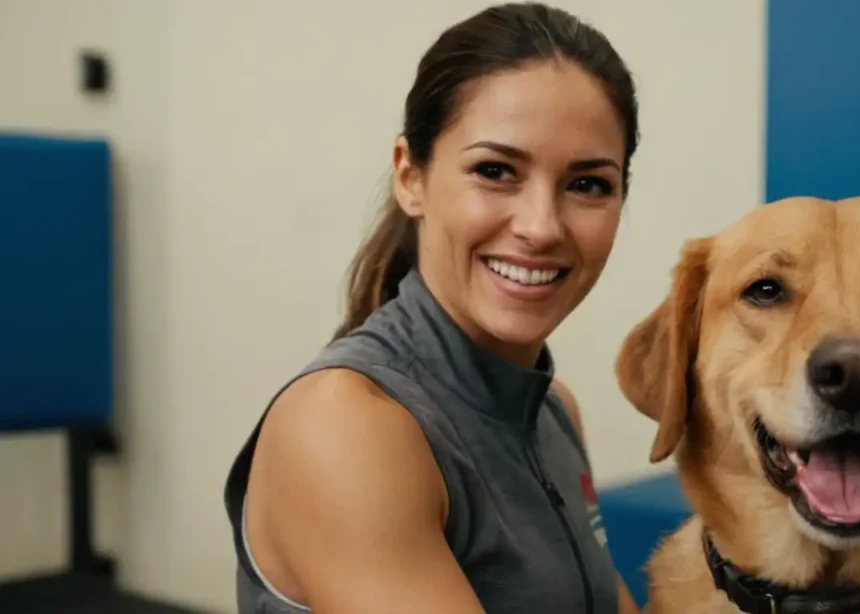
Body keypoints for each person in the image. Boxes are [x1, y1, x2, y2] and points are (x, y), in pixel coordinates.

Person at [224, 3, 642, 612]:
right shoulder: (345, 423)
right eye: (495, 171)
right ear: (410, 176)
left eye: (588, 184)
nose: (541, 226)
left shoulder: (553, 414)